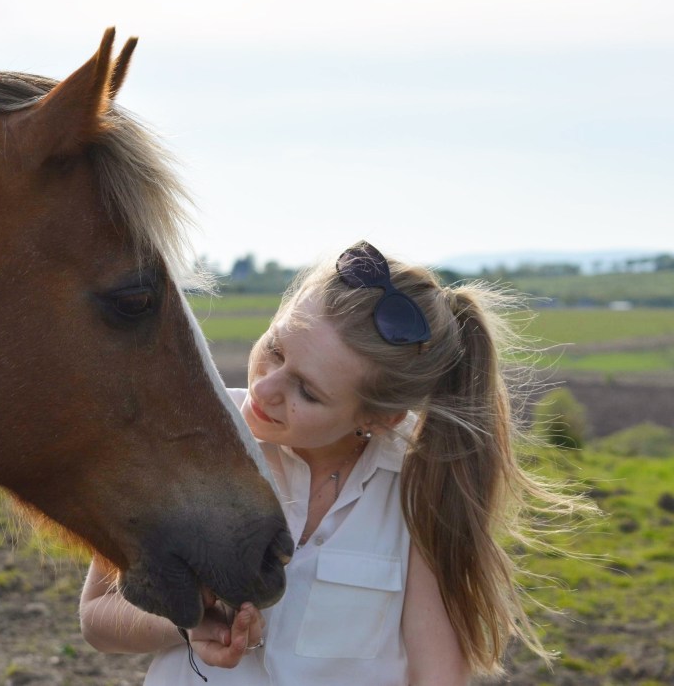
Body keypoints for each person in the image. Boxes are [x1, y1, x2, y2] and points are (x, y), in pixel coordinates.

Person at [80, 241, 585, 685]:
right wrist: (189, 622)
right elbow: (97, 616)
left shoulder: (418, 493)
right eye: (275, 350)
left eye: (307, 391)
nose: (265, 389)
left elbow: (438, 674)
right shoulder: (179, 438)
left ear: (380, 418)